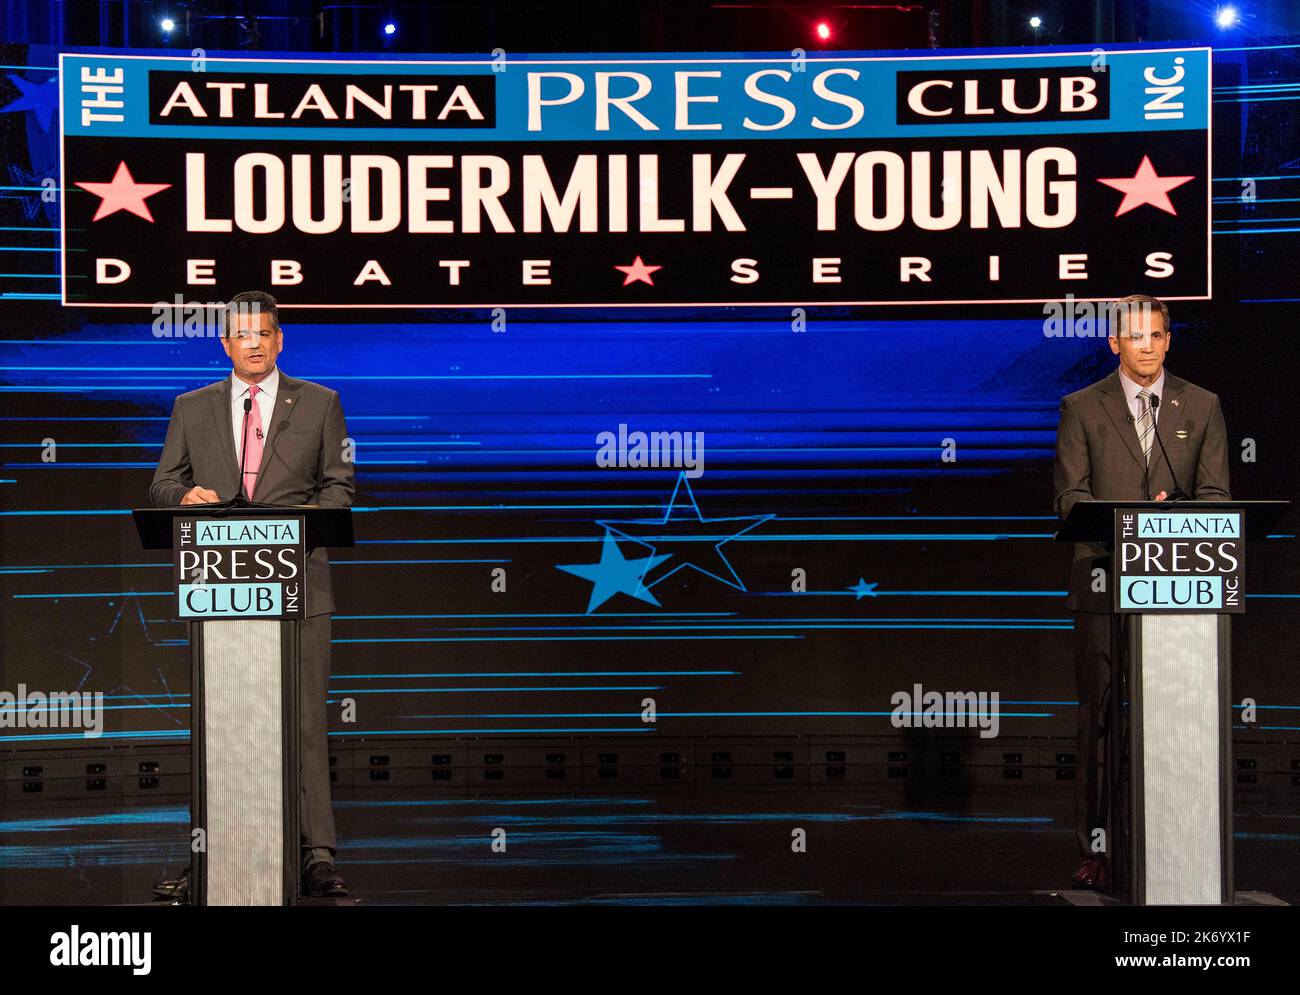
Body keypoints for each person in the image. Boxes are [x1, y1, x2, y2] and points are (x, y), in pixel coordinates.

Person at [149, 290, 354, 900]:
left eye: (265, 333)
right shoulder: (192, 407)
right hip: (219, 586)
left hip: (300, 588)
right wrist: (184, 498)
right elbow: (163, 482)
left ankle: (316, 856)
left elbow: (340, 490)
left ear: (279, 339)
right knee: (223, 725)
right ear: (226, 344)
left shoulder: (320, 404)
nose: (255, 344)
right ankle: (211, 856)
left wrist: (286, 524)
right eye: (242, 336)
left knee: (304, 725)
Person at [1052, 293, 1231, 890]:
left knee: (1175, 719)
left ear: (1168, 340)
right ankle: (1096, 849)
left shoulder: (1202, 406)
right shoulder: (1081, 407)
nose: (1147, 346)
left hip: (1177, 589)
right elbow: (1069, 498)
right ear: (1114, 344)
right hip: (1103, 583)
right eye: (1136, 337)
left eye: (1157, 335)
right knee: (1098, 719)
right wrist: (1128, 517)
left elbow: (1216, 499)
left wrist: (1169, 519)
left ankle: (1177, 842)